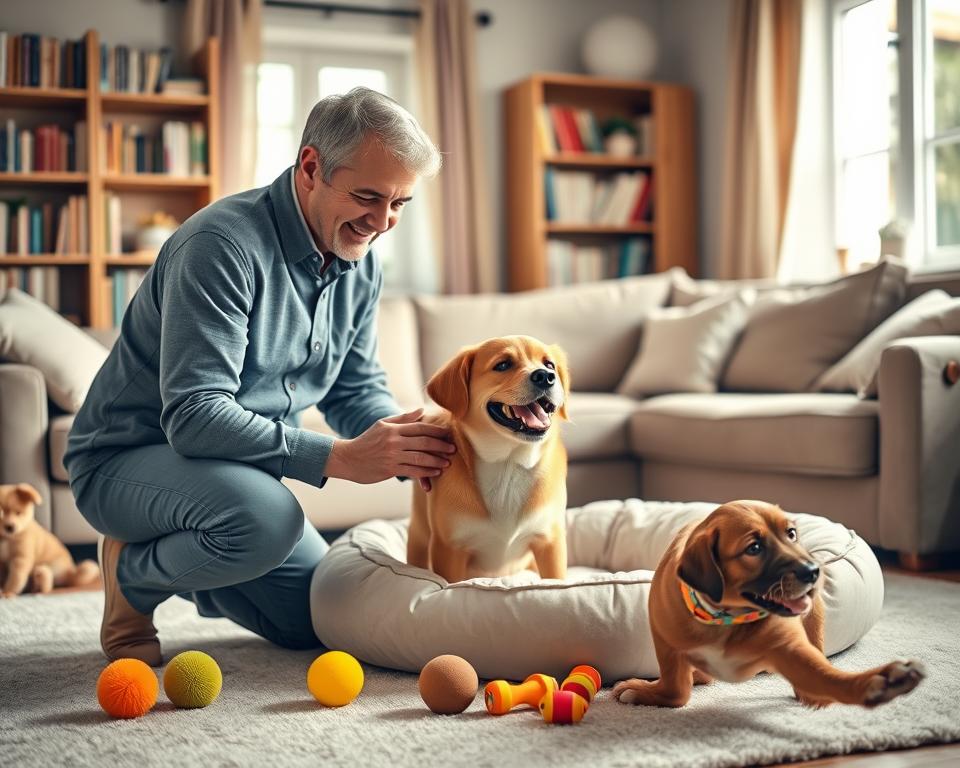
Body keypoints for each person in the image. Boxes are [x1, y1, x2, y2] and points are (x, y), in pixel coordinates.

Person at [64, 87, 455, 667]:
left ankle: (205, 555)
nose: (382, 222)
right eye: (368, 196)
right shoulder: (220, 245)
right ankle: (134, 572)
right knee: (267, 520)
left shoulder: (361, 260)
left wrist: (414, 441)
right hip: (125, 462)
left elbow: (354, 389)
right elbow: (196, 417)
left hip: (232, 476)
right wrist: (342, 458)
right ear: (311, 168)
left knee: (320, 619)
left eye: (400, 203)